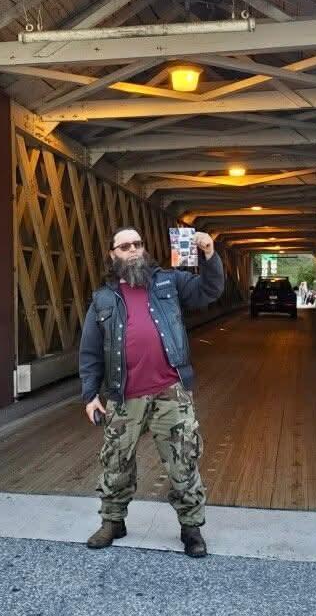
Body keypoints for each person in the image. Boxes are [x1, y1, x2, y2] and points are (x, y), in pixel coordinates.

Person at [79, 227, 224, 558]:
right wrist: (90, 395)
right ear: (113, 255)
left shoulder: (168, 282)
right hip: (123, 395)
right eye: (124, 246)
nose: (133, 249)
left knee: (183, 460)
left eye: (138, 244)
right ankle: (112, 521)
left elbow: (209, 290)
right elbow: (89, 352)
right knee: (116, 461)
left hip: (170, 391)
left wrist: (209, 254)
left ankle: (191, 528)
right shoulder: (103, 299)